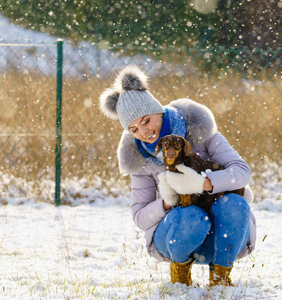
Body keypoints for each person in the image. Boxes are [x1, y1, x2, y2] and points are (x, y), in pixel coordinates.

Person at [99, 65, 256, 287]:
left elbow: (242, 172)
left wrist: (203, 183)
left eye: (146, 120)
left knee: (236, 204)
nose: (143, 132)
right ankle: (180, 278)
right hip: (175, 236)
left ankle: (221, 278)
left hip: (219, 236)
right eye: (133, 129)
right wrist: (167, 202)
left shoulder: (201, 132)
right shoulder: (139, 158)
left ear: (159, 111)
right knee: (191, 216)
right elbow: (140, 217)